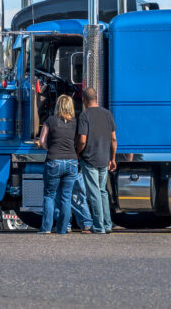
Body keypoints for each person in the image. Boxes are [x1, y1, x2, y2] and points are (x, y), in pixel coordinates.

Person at [35, 95, 80, 234]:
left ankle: (46, 228)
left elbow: (42, 141)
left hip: (54, 161)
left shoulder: (50, 120)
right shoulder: (75, 122)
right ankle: (62, 229)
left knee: (50, 195)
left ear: (58, 106)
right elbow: (78, 141)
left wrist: (51, 149)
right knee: (66, 197)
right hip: (72, 162)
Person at [76, 87, 117, 234]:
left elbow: (82, 140)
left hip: (89, 159)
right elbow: (113, 138)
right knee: (102, 192)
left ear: (84, 100)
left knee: (94, 193)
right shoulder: (107, 114)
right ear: (97, 98)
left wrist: (77, 153)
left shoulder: (84, 115)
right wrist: (112, 158)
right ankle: (107, 225)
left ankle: (99, 227)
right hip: (104, 158)